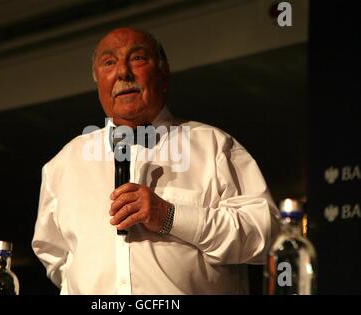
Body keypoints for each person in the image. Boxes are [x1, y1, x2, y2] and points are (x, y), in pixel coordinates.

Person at [32, 27, 280, 294]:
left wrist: (170, 216)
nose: (123, 72)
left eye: (137, 58)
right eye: (109, 62)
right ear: (98, 82)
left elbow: (268, 237)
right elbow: (56, 259)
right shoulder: (64, 165)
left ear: (163, 75)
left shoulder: (213, 146)